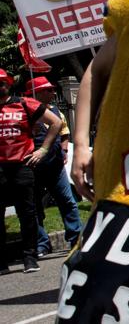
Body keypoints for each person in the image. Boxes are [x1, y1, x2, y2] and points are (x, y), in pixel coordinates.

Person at [1, 69, 64, 273]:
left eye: (1, 83)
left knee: (27, 213)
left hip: (22, 165)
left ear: (8, 84)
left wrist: (43, 150)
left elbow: (56, 122)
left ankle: (30, 257)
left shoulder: (23, 103)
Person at [27, 77, 81, 256]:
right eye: (48, 90)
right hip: (32, 167)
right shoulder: (25, 110)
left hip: (55, 166)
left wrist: (64, 149)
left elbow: (64, 132)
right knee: (34, 207)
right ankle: (42, 243)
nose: (52, 93)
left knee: (68, 202)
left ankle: (75, 238)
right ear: (38, 92)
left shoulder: (57, 111)